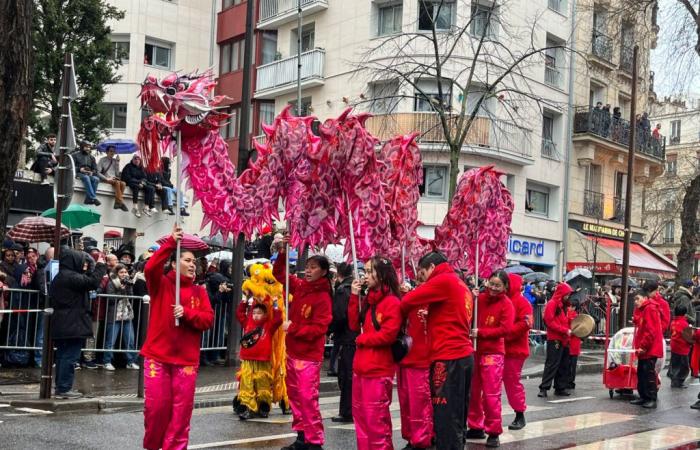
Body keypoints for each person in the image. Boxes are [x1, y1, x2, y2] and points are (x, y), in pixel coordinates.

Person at [141, 225, 214, 450]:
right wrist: (171, 243)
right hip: (158, 357)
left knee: (181, 415)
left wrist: (187, 313)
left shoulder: (200, 292)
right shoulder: (160, 284)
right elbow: (151, 268)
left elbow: (208, 320)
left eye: (195, 262)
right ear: (174, 263)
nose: (193, 265)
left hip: (186, 361)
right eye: (188, 260)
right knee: (157, 410)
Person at [399, 251, 473, 450]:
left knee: (445, 416)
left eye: (422, 275)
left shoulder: (443, 281)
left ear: (432, 267)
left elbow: (408, 301)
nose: (422, 280)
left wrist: (406, 292)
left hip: (447, 358)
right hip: (463, 356)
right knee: (458, 414)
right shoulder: (460, 284)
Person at [273, 238, 332, 450]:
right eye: (307, 267)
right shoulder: (300, 287)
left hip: (309, 357)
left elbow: (319, 329)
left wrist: (294, 328)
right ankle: (301, 436)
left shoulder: (323, 297)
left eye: (313, 267)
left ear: (323, 272)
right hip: (293, 353)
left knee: (308, 399)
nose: (308, 271)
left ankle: (314, 441)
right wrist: (282, 252)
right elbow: (279, 275)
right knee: (295, 397)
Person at [345, 257, 401, 450]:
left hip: (378, 371)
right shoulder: (367, 301)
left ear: (382, 275)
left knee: (376, 421)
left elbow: (388, 336)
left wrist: (363, 339)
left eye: (370, 272)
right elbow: (353, 325)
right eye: (365, 271)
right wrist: (354, 297)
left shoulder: (392, 302)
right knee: (360, 420)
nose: (365, 275)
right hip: (360, 368)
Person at [466, 270, 514, 448]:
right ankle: (475, 425)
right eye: (491, 284)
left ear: (505, 287)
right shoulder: (478, 299)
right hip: (474, 350)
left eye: (497, 285)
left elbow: (505, 329)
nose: (493, 288)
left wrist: (482, 333)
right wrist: (470, 297)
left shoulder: (507, 304)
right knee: (472, 391)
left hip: (493, 353)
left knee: (490, 394)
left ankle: (493, 431)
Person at [49, 249, 107, 398]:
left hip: (65, 322)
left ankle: (61, 387)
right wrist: (100, 266)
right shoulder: (70, 277)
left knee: (63, 356)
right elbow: (92, 282)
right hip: (72, 323)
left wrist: (93, 268)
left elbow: (86, 280)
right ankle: (64, 388)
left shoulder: (62, 276)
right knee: (69, 357)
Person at [397, 271, 433, 450]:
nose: (420, 282)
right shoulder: (409, 299)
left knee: (420, 403)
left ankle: (422, 439)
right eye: (418, 278)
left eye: (424, 277)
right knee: (406, 401)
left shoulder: (437, 300)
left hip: (424, 360)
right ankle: (411, 436)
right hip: (405, 357)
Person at [234, 300, 283, 420]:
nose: (256, 315)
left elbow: (278, 320)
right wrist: (244, 300)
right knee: (247, 383)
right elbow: (239, 314)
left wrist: (276, 305)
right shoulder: (247, 322)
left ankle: (263, 405)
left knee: (263, 383)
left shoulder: (268, 325)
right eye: (254, 312)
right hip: (247, 360)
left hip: (263, 361)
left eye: (259, 313)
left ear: (265, 315)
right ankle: (247, 407)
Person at [503, 274, 532, 431]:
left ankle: (519, 414)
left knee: (511, 382)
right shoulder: (500, 300)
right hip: (497, 348)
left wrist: (504, 334)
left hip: (514, 350)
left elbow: (526, 323)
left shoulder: (522, 303)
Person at [329, 262, 357, 423]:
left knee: (346, 375)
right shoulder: (354, 288)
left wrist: (331, 329)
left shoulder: (341, 290)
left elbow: (339, 315)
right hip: (353, 335)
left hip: (346, 337)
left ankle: (347, 411)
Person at [538, 282, 574, 398]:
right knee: (552, 364)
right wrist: (564, 330)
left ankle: (560, 387)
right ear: (561, 293)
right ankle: (544, 388)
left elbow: (565, 321)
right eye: (567, 294)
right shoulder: (552, 304)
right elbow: (550, 322)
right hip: (555, 339)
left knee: (563, 365)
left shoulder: (564, 306)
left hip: (564, 338)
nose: (568, 297)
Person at [630, 289, 662, 409]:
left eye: (638, 298)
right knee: (641, 373)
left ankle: (651, 398)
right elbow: (644, 324)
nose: (636, 301)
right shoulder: (645, 309)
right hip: (645, 349)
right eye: (635, 299)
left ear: (645, 298)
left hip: (649, 349)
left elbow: (650, 331)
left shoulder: (650, 308)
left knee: (648, 374)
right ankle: (643, 396)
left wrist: (643, 346)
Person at [103, 264, 139, 371]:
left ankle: (130, 361)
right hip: (114, 315)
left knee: (130, 339)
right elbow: (111, 299)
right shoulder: (111, 283)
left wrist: (128, 287)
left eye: (125, 272)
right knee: (111, 340)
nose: (124, 274)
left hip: (126, 315)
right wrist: (121, 290)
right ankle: (107, 361)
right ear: (117, 273)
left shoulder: (127, 283)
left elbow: (131, 297)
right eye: (121, 272)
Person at [97, 146, 128, 211]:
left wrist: (117, 163)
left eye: (114, 151)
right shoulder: (102, 160)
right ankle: (120, 202)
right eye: (111, 151)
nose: (112, 153)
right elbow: (97, 172)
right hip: (106, 179)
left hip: (114, 179)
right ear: (107, 152)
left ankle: (117, 202)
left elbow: (117, 174)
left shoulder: (115, 161)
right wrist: (106, 178)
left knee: (123, 183)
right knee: (117, 182)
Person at [72, 141, 102, 206]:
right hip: (78, 173)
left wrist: (91, 172)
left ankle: (88, 199)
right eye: (86, 147)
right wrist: (80, 169)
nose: (88, 148)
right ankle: (93, 198)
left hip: (88, 174)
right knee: (86, 177)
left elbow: (95, 169)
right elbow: (71, 166)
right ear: (82, 147)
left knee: (96, 179)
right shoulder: (75, 155)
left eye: (89, 147)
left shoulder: (92, 157)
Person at [669, 304, 691, 388]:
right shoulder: (684, 324)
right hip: (682, 347)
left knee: (675, 364)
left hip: (674, 346)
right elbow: (688, 337)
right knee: (684, 366)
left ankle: (673, 380)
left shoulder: (673, 322)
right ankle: (678, 381)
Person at [567, 304, 581, 390]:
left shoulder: (575, 317)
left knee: (570, 365)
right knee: (571, 365)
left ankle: (570, 381)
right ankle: (570, 381)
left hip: (572, 343)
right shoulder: (577, 317)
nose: (568, 307)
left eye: (570, 306)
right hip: (573, 343)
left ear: (574, 307)